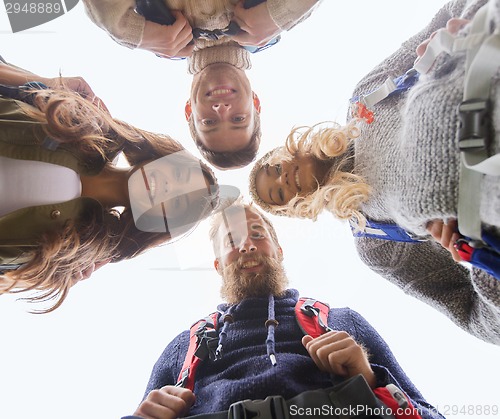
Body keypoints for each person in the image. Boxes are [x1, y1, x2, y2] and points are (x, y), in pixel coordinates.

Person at [248, 0, 500, 344]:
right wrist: (485, 260)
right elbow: (475, 316)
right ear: (295, 208)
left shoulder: (367, 97)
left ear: (286, 151)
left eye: (274, 168)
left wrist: (460, 29)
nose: (282, 179)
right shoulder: (377, 241)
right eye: (278, 192)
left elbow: (446, 16)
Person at [123, 201, 443, 419]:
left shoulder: (343, 323)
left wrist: (371, 377)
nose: (248, 245)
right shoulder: (183, 348)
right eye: (232, 239)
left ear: (278, 250)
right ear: (218, 265)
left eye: (258, 234)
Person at [0, 57, 236, 312]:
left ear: (160, 222)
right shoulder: (77, 124)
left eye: (177, 201)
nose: (168, 188)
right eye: (177, 175)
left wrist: (58, 270)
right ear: (163, 159)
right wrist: (50, 84)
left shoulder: (74, 247)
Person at [82, 0, 322, 169]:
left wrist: (131, 33)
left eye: (209, 122)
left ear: (189, 110)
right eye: (239, 119)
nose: (222, 110)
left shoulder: (153, 31)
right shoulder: (274, 23)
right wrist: (281, 13)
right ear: (255, 103)